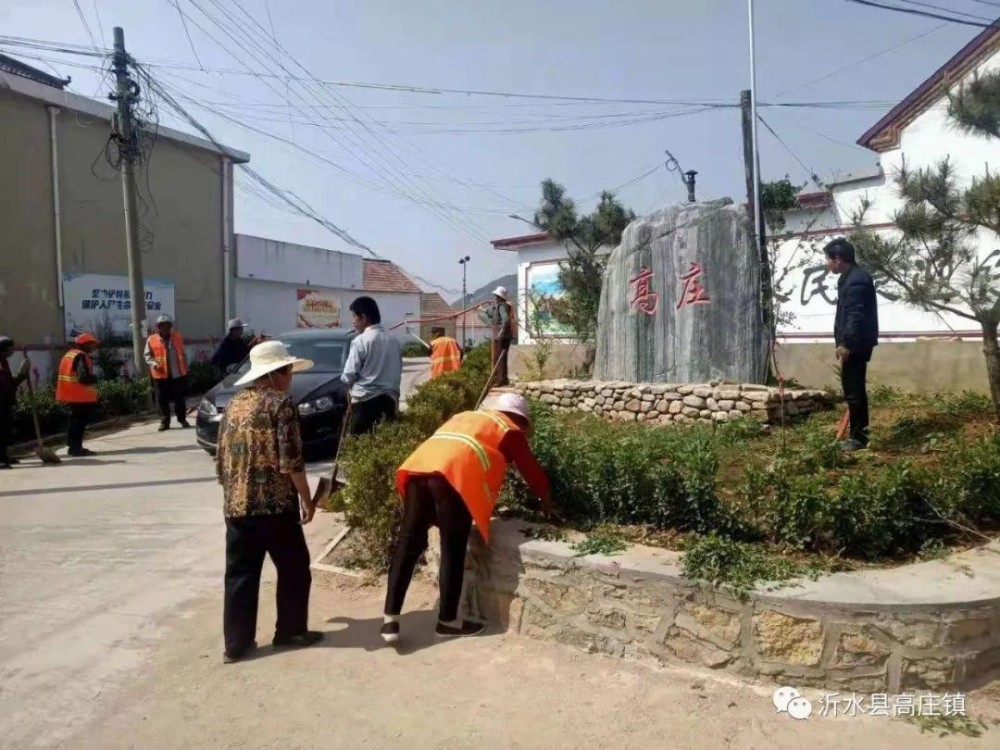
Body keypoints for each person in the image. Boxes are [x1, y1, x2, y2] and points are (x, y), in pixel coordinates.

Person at [381, 392, 555, 643]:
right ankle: (447, 622)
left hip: (418, 471)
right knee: (452, 549)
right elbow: (532, 471)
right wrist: (546, 501)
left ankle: (390, 621)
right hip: (453, 479)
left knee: (408, 544)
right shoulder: (510, 430)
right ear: (522, 419)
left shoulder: (466, 416)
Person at [216, 340, 324, 663]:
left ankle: (236, 645)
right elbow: (290, 459)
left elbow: (221, 459)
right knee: (293, 568)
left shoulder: (233, 405)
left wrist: (232, 492)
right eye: (289, 371)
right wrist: (306, 498)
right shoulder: (281, 404)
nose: (291, 377)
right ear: (277, 374)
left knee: (239, 576)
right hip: (274, 506)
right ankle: (290, 631)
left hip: (237, 506)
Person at [825, 238, 879, 451]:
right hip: (853, 341)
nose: (827, 264)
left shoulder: (857, 280)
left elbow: (854, 315)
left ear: (838, 259)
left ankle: (859, 438)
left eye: (828, 259)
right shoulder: (848, 277)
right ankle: (858, 435)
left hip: (856, 343)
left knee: (854, 391)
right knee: (851, 389)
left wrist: (845, 343)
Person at [342, 296, 402, 436]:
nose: (353, 322)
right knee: (385, 445)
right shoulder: (393, 340)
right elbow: (398, 369)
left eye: (354, 317)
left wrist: (348, 385)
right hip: (389, 402)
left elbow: (348, 375)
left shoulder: (360, 341)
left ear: (363, 318)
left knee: (360, 448)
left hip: (364, 402)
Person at [55, 333, 100, 457]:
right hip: (80, 396)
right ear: (85, 344)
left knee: (74, 422)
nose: (94, 347)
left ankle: (72, 446)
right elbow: (83, 377)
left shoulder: (70, 354)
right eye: (92, 344)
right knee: (79, 423)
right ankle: (76, 448)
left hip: (70, 394)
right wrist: (94, 379)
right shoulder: (81, 356)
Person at [145, 314, 191, 431]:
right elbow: (147, 356)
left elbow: (183, 354)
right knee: (162, 400)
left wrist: (186, 369)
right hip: (160, 375)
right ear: (158, 327)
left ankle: (182, 419)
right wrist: (155, 364)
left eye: (168, 326)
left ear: (170, 327)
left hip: (177, 374)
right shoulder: (152, 339)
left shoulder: (177, 337)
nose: (165, 328)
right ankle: (164, 422)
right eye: (163, 326)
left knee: (180, 399)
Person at [0, 336, 31, 469]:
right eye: (10, 348)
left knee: (5, 430)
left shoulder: (3, 361)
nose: (12, 351)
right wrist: (21, 374)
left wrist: (22, 374)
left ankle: (4, 457)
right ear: (3, 349)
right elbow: (5, 386)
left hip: (5, 402)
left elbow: (9, 383)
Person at [480, 286, 514, 387]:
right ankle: (502, 379)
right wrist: (483, 310)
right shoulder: (499, 306)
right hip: (500, 335)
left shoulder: (502, 306)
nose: (494, 297)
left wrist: (502, 331)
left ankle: (501, 380)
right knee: (500, 357)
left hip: (502, 336)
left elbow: (506, 319)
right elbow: (493, 314)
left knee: (500, 357)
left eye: (495, 296)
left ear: (499, 297)